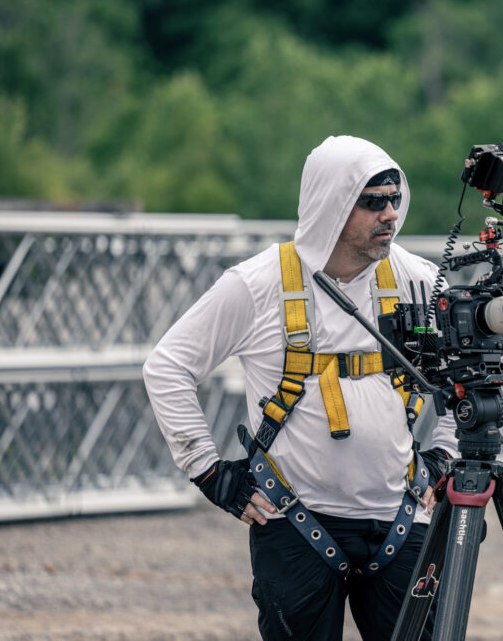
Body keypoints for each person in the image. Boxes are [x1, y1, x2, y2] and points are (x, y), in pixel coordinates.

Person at [143, 135, 457, 641]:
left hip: (401, 517)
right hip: (294, 521)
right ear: (332, 204)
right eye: (372, 202)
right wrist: (209, 471)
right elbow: (167, 366)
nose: (390, 214)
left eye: (395, 199)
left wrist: (444, 454)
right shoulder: (258, 284)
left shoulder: (418, 279)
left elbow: (467, 372)